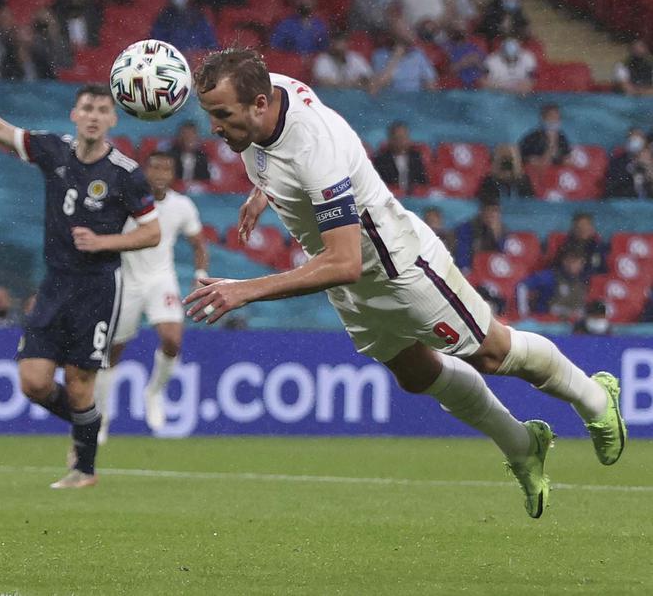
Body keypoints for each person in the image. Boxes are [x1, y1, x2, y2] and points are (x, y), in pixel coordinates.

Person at [185, 47, 626, 519]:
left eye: (222, 115)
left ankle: (595, 397)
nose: (213, 126)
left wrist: (243, 289)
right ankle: (522, 445)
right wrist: (263, 192)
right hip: (344, 271)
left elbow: (345, 261)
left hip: (397, 264)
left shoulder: (315, 147)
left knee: (495, 353)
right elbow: (280, 158)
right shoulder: (265, 99)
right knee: (416, 374)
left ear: (257, 104)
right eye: (209, 114)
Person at [0, 68, 160, 489]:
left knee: (81, 384)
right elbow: (1, 131)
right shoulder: (54, 151)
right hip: (55, 283)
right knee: (34, 382)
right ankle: (87, 427)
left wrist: (103, 242)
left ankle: (85, 469)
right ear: (74, 114)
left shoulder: (125, 173)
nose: (94, 116)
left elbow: (152, 232)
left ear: (113, 119)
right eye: (87, 108)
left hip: (98, 287)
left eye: (102, 110)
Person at [96, 151, 208, 439]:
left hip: (161, 279)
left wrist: (200, 277)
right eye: (155, 167)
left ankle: (154, 393)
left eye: (167, 168)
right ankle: (101, 416)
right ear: (145, 171)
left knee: (172, 339)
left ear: (173, 174)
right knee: (112, 353)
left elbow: (198, 245)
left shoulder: (182, 206)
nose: (160, 174)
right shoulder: (126, 202)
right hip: (127, 282)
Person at [371, 121, 428, 195]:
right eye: (398, 138)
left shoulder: (416, 158)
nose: (401, 141)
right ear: (390, 139)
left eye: (404, 137)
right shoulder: (380, 160)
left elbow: (423, 182)